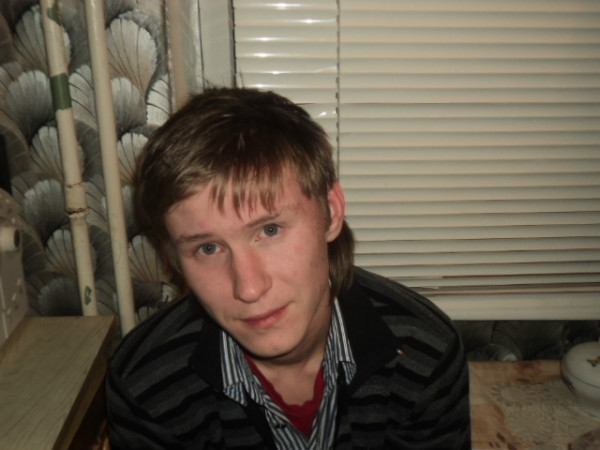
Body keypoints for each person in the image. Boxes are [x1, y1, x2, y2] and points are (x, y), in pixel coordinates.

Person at [106, 87, 471, 450]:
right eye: (208, 248)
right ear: (175, 259)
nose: (249, 288)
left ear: (331, 212)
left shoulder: (424, 355)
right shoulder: (147, 387)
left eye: (270, 230)